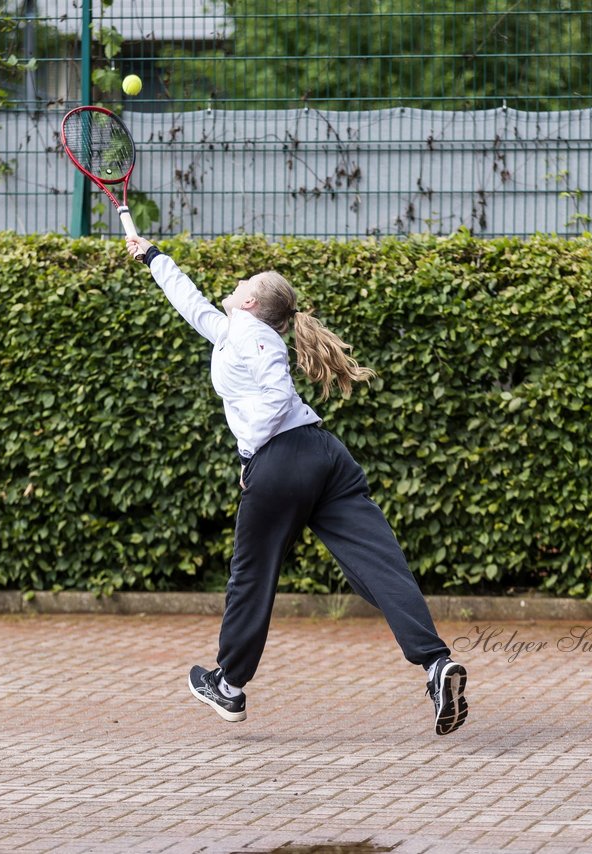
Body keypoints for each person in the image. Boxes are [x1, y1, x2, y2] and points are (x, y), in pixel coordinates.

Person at [125, 235, 468, 736]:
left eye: (245, 282)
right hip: (326, 455)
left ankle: (230, 685)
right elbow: (190, 301)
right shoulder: (232, 329)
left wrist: (249, 453)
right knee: (379, 564)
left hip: (283, 458)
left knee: (252, 573)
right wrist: (153, 257)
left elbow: (278, 393)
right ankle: (436, 665)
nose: (237, 283)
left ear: (250, 301)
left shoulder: (254, 335)